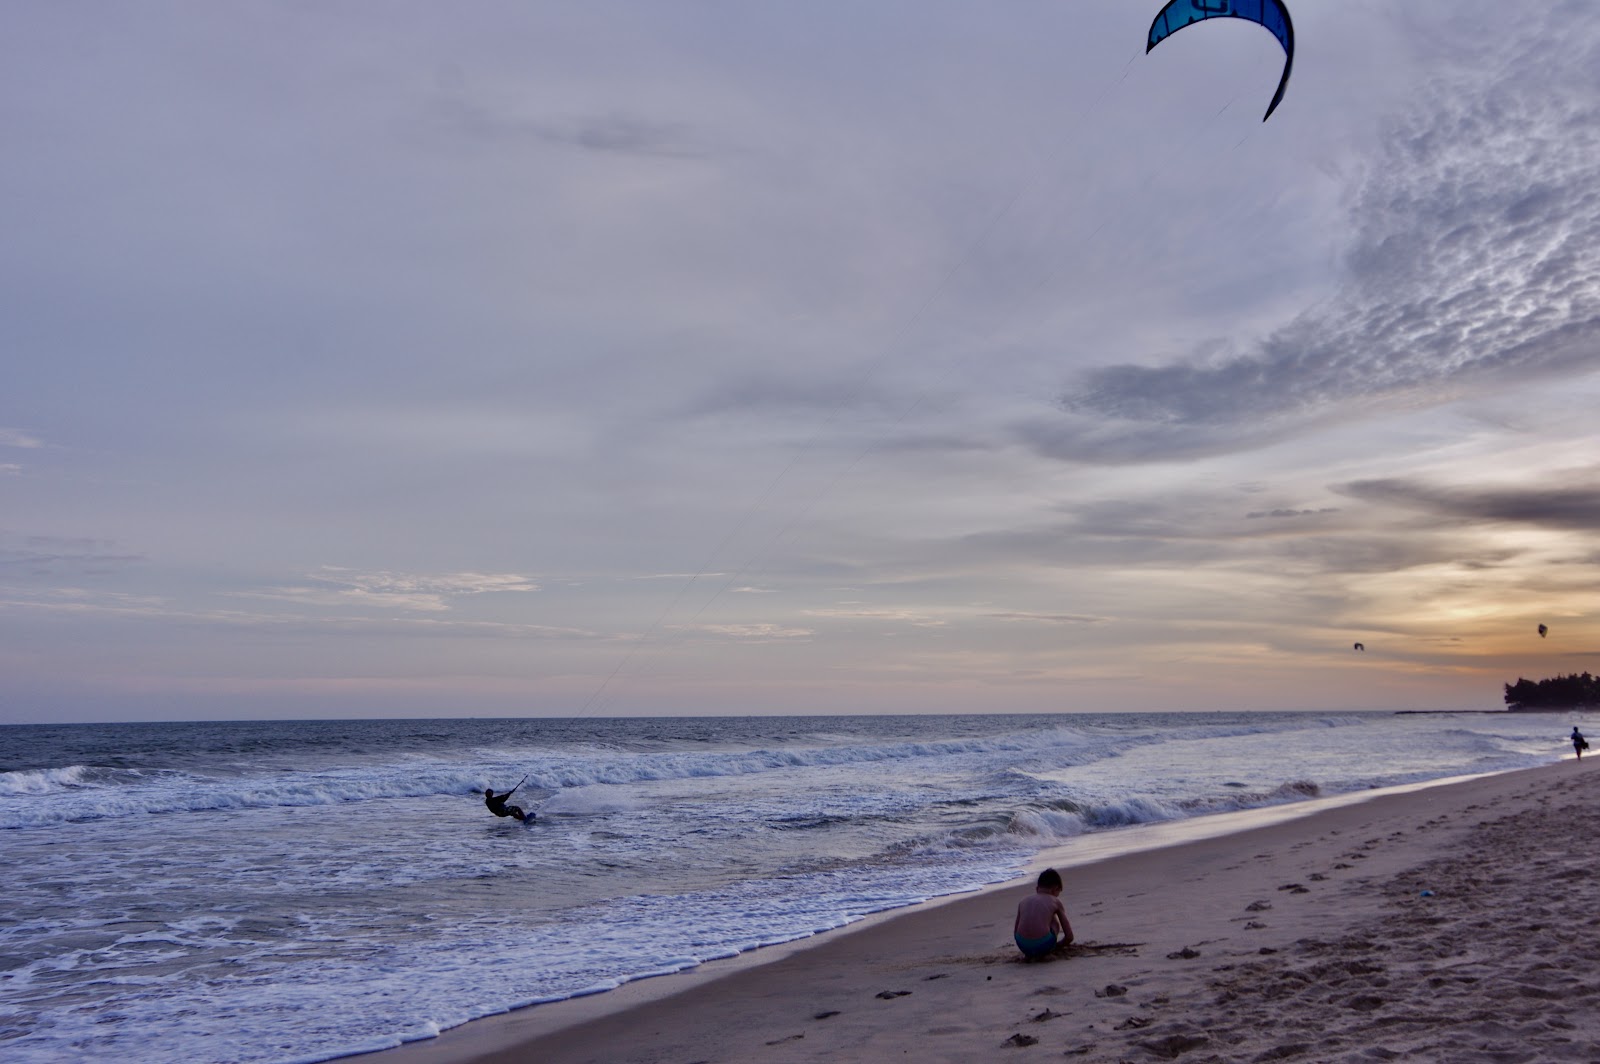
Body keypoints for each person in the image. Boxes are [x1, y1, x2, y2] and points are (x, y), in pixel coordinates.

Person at [1014, 867, 1074, 960]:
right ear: (1055, 889)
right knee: (1053, 921)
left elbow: (1016, 932)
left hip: (1022, 946)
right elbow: (1069, 937)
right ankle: (1045, 952)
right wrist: (1057, 946)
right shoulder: (1055, 901)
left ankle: (1029, 954)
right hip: (1043, 945)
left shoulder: (1023, 901)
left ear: (1037, 888)